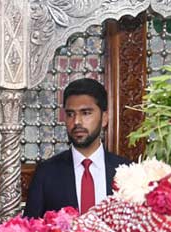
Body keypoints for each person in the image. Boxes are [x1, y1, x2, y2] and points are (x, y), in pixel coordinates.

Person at [24, 78, 130, 217]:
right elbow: (32, 230)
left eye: (86, 113)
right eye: (70, 114)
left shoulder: (127, 172)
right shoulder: (46, 173)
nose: (76, 122)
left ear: (104, 118)